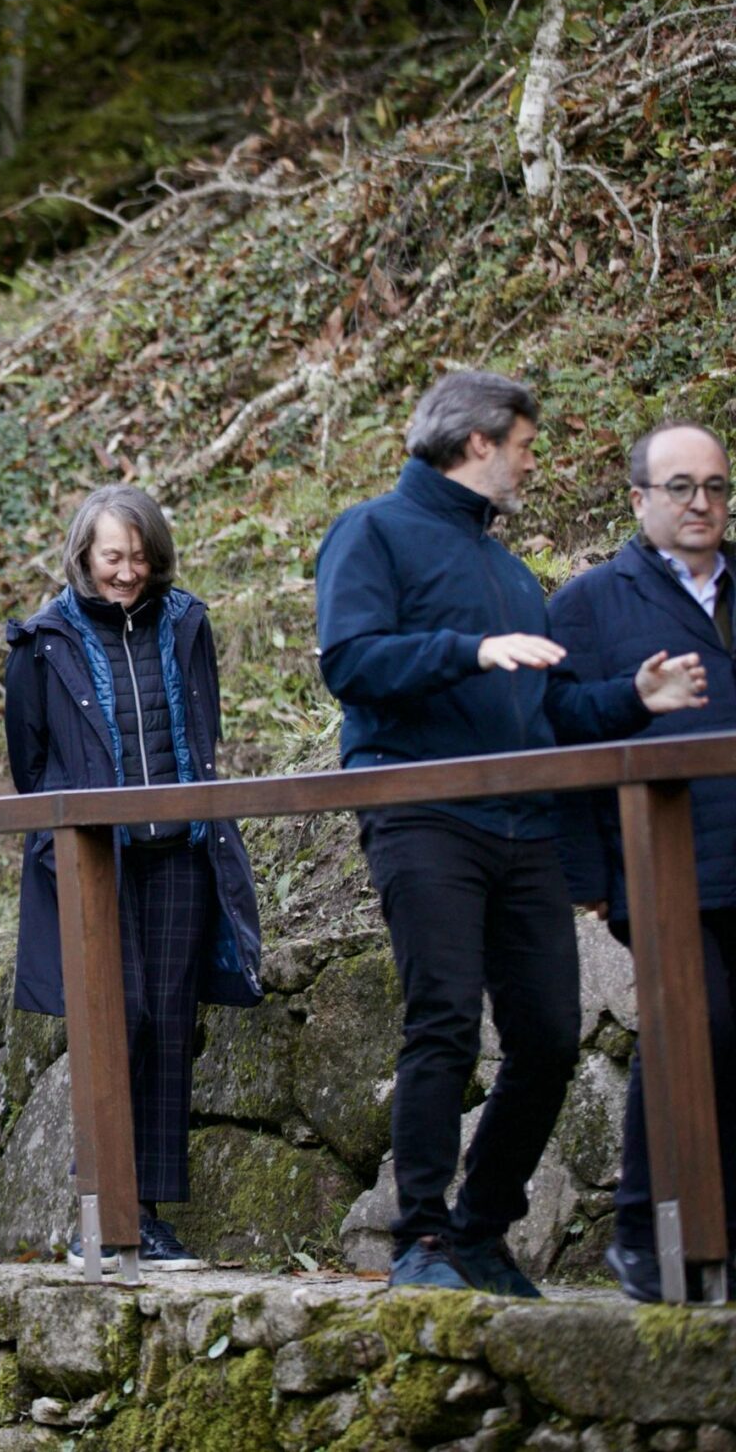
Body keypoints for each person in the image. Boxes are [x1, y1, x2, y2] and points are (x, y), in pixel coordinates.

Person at [315, 371, 707, 1295]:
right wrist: (468, 650)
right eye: (527, 445)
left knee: (548, 1035)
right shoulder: (371, 530)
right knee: (445, 1019)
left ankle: (481, 1228)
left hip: (524, 822)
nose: (535, 462)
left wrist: (632, 700)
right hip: (423, 811)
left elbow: (546, 709)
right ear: (480, 441)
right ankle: (419, 1241)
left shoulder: (506, 568)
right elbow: (350, 661)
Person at [4, 484, 264, 1272]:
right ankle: (105, 1205)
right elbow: (30, 760)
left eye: (140, 556)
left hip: (180, 852)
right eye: (112, 556)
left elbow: (204, 723)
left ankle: (145, 1213)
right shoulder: (43, 639)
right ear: (84, 554)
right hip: (94, 861)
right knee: (124, 1017)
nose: (126, 572)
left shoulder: (187, 622)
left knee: (172, 1024)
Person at [548, 420, 736, 1302]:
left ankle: (715, 1237)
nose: (702, 504)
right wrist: (587, 876)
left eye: (716, 486)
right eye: (681, 487)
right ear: (638, 500)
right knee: (695, 1026)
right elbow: (556, 730)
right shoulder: (589, 603)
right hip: (658, 863)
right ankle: (640, 1232)